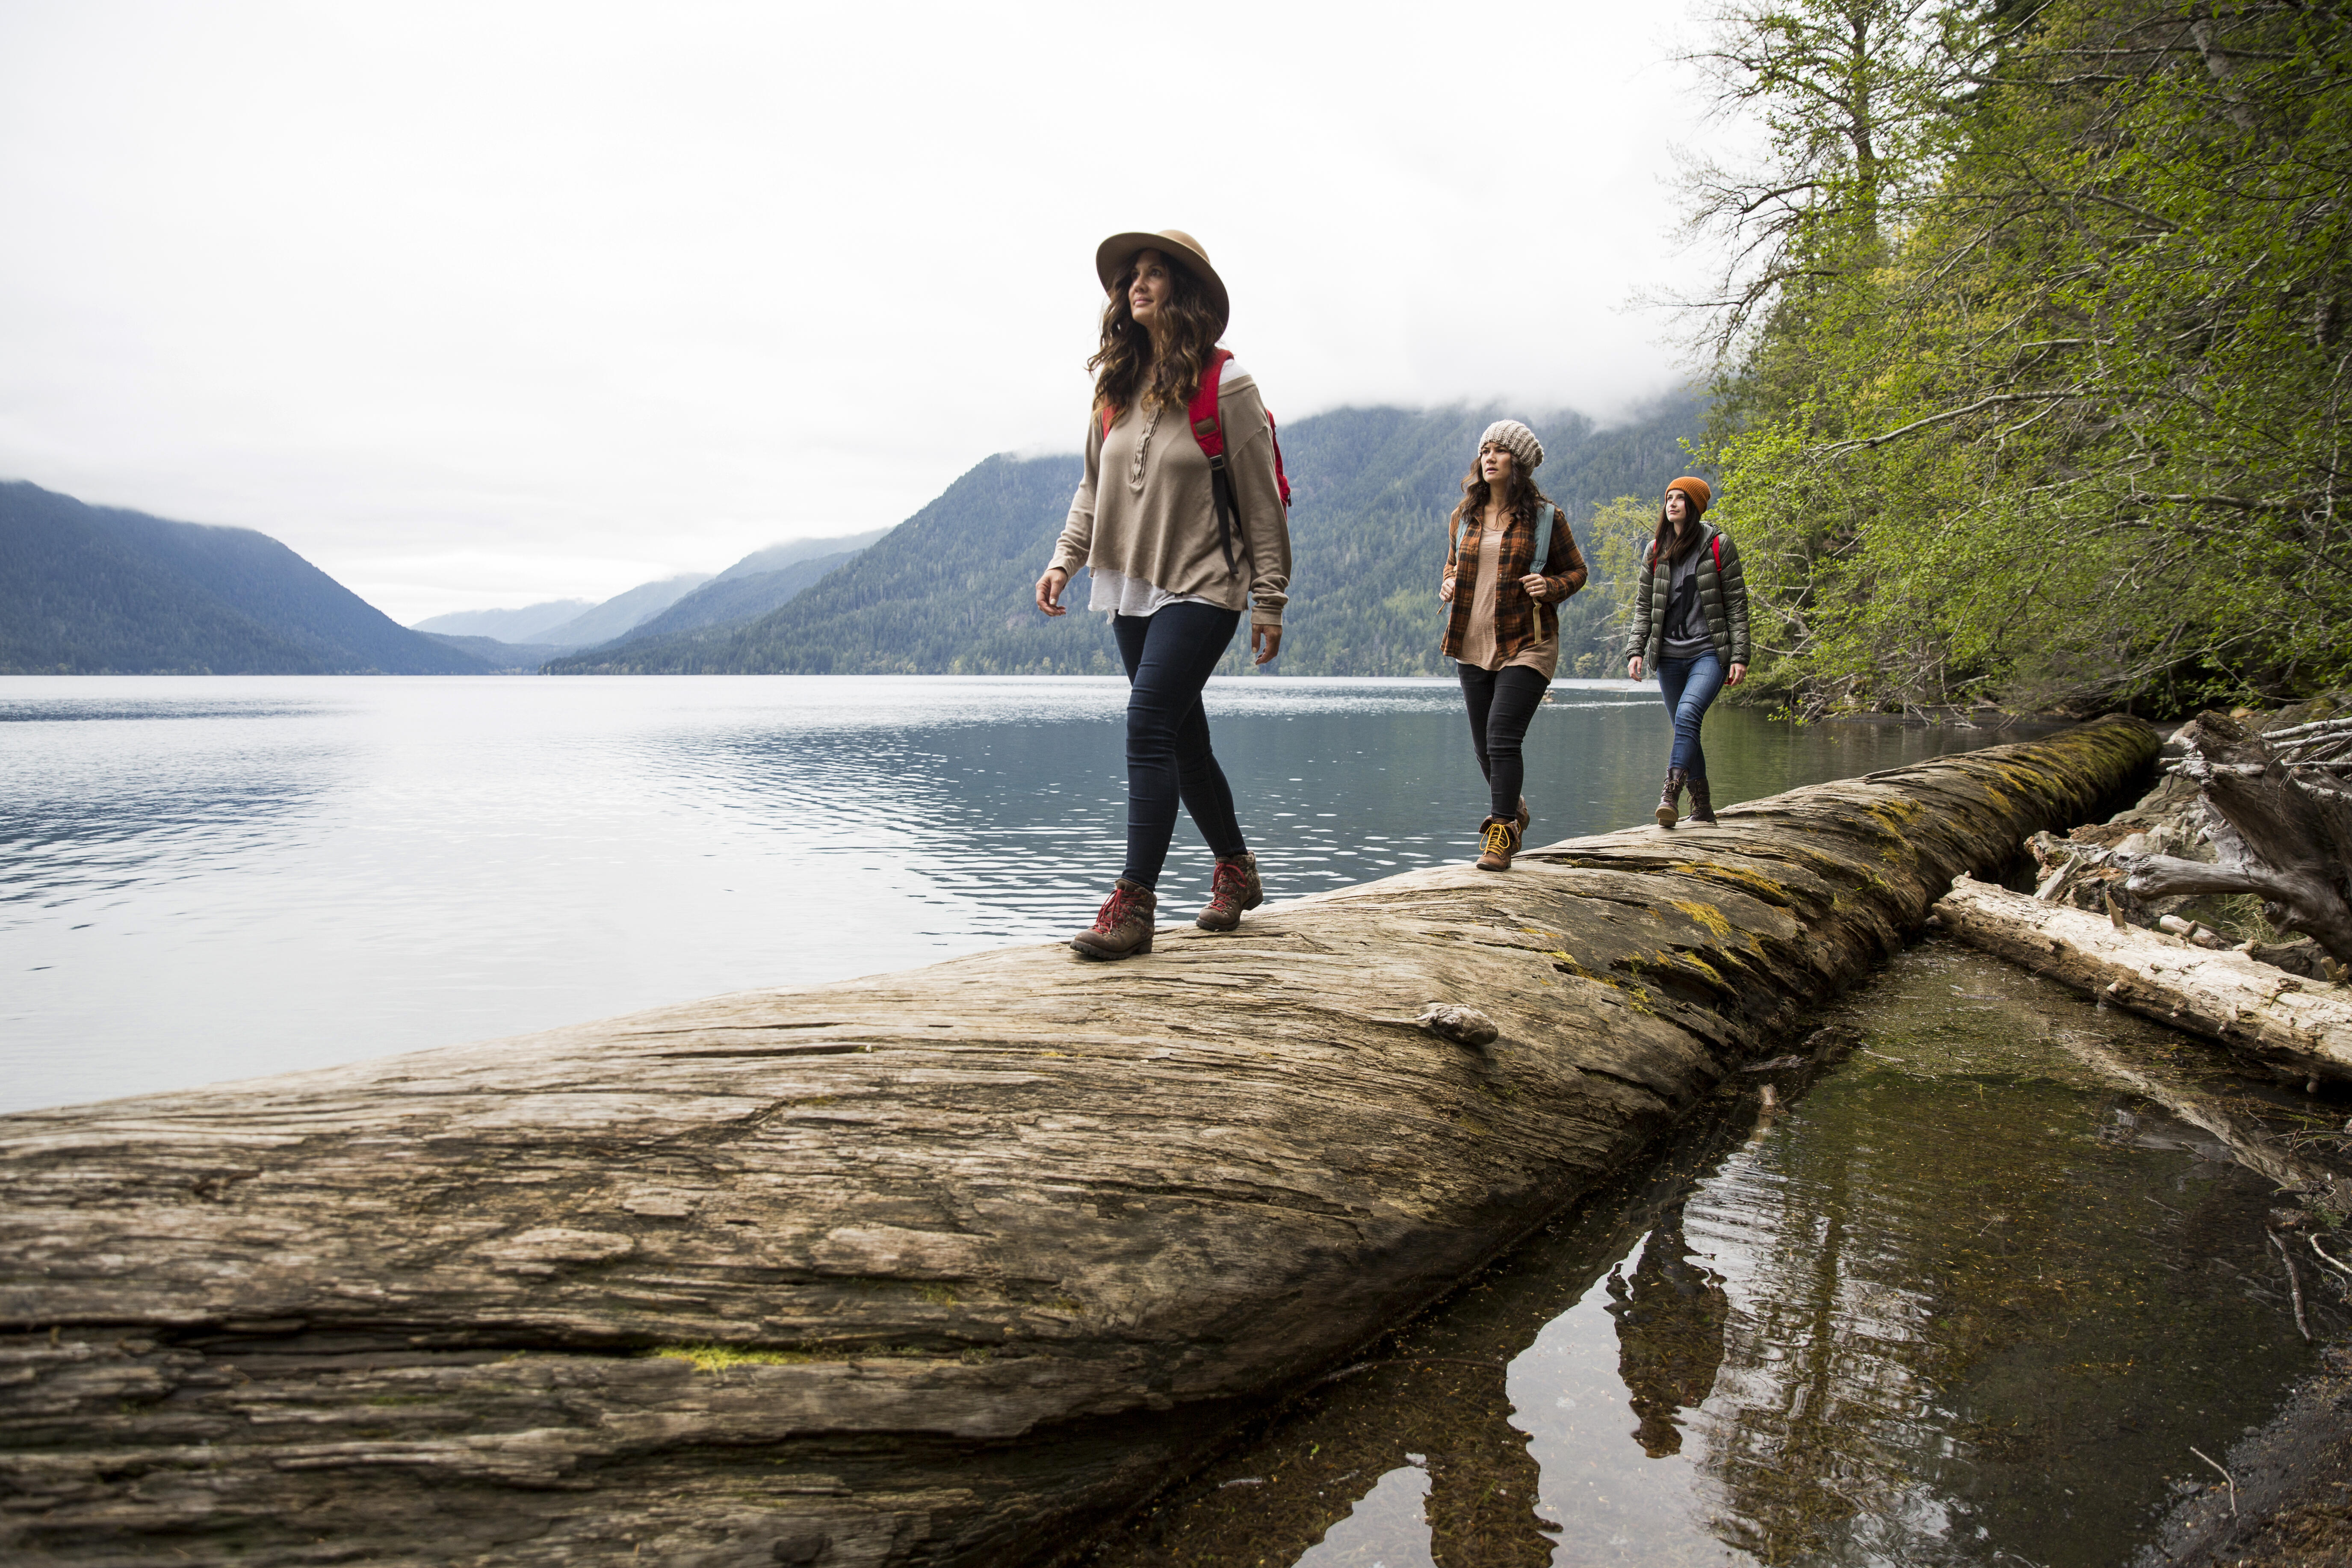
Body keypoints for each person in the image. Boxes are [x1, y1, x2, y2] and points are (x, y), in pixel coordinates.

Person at [1035, 229, 1292, 959]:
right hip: (1129, 583)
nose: (1136, 285)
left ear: (1184, 292)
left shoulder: (1228, 387)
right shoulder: (1115, 390)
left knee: (1147, 723)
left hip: (1205, 583)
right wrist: (1066, 559)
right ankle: (1237, 869)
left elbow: (1263, 501)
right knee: (1183, 740)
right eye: (1131, 277)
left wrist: (1268, 597)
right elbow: (1093, 486)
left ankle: (1135, 903)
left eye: (1154, 274)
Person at [1438, 419, 1587, 871]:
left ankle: (1500, 833)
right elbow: (1451, 565)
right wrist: (1447, 583)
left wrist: (1551, 584)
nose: (1489, 457)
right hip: (1471, 640)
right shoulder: (1463, 516)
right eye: (1485, 449)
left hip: (1528, 641)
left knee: (1503, 737)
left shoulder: (1546, 517)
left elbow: (1577, 571)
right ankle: (1514, 807)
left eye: (1500, 450)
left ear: (1517, 463)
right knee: (1484, 746)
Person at [1625, 477, 1749, 827]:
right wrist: (1637, 648)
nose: (1673, 503)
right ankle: (1704, 808)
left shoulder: (1718, 546)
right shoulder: (1655, 550)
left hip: (1708, 653)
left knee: (1688, 714)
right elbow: (1644, 605)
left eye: (1681, 499)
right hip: (1668, 657)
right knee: (1685, 727)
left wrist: (1739, 656)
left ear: (1694, 506)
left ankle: (1670, 793)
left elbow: (1737, 605)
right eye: (1669, 498)